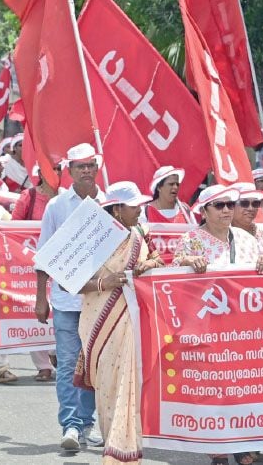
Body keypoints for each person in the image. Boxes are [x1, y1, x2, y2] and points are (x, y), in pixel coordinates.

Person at [172, 185, 263, 465]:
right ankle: (216, 447)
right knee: (215, 386)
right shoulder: (192, 240)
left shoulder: (247, 238)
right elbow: (175, 273)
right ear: (204, 211)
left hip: (244, 326)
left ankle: (240, 442)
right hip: (208, 325)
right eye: (219, 206)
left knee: (241, 384)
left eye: (230, 204)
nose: (227, 210)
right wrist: (188, 262)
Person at [75, 181, 162, 464]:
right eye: (135, 205)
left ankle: (123, 451)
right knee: (108, 386)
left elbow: (155, 263)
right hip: (99, 320)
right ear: (117, 209)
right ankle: (112, 447)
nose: (140, 210)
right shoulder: (94, 237)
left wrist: (149, 266)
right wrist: (105, 282)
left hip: (132, 317)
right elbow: (69, 283)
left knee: (129, 381)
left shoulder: (139, 235)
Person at [34, 143, 105, 451]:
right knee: (67, 366)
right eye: (80, 166)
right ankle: (71, 425)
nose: (86, 170)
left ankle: (87, 423)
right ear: (69, 172)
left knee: (93, 366)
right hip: (65, 303)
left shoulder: (112, 203)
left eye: (90, 165)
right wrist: (41, 297)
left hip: (101, 300)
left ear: (97, 167)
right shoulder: (57, 206)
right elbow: (43, 255)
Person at [11, 164, 62, 382]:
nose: (56, 173)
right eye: (52, 169)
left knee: (60, 309)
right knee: (35, 311)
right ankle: (43, 365)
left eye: (60, 169)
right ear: (40, 173)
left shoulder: (65, 199)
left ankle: (58, 353)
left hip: (61, 263)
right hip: (30, 261)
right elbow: (12, 228)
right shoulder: (28, 197)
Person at [231, 183, 263, 259]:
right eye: (244, 203)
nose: (251, 208)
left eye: (255, 203)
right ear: (231, 206)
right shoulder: (224, 235)